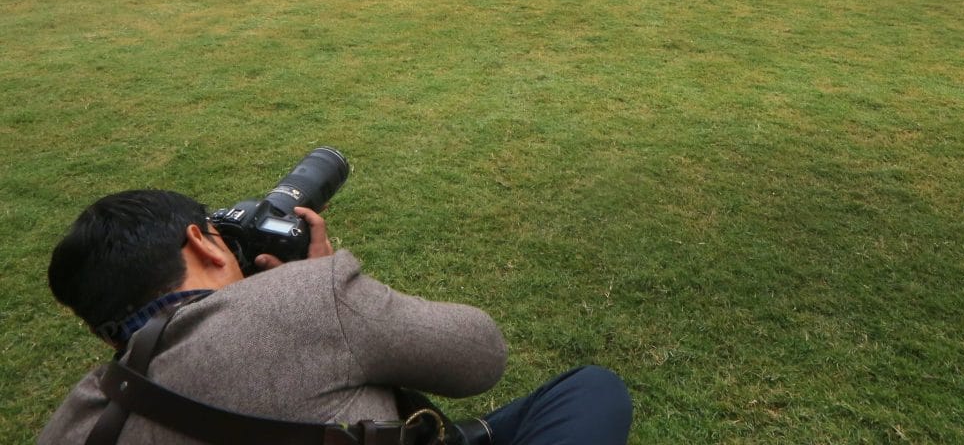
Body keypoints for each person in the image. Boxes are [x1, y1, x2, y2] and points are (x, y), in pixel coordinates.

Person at [39, 189, 633, 444]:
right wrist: (316, 282)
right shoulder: (307, 300)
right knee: (592, 390)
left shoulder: (73, 422)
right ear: (204, 244)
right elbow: (481, 356)